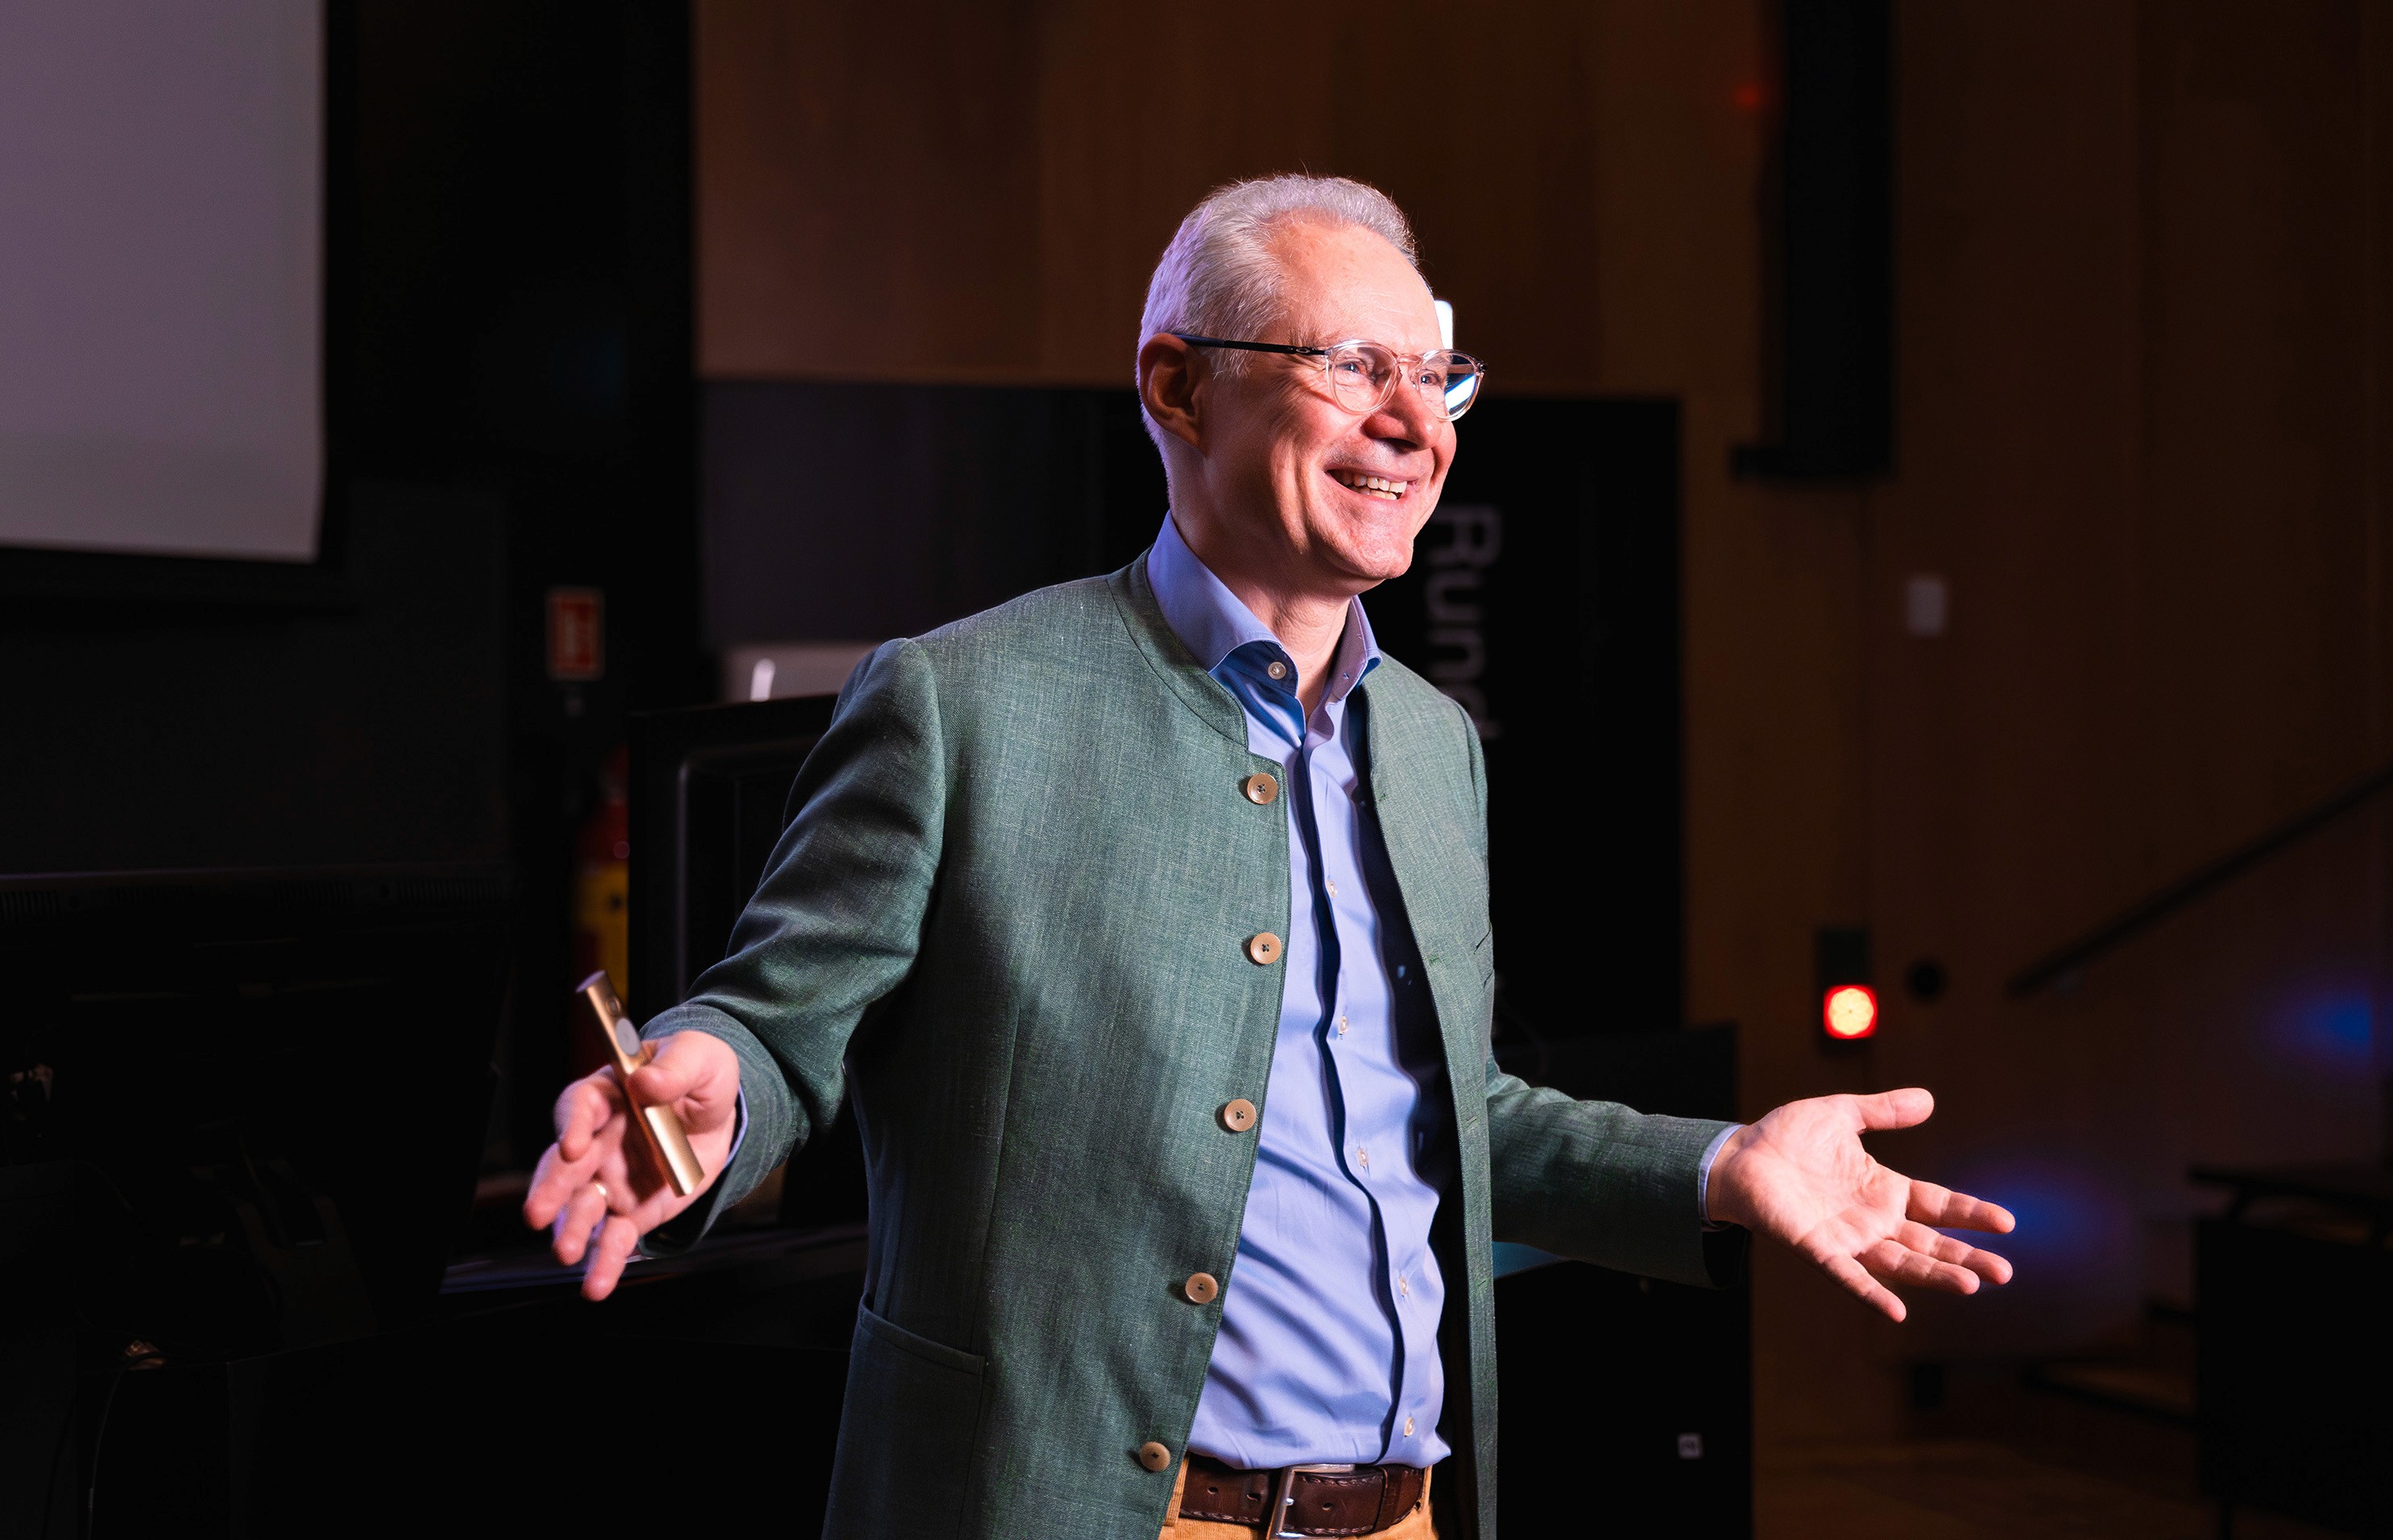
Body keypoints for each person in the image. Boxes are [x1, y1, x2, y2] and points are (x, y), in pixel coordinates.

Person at [523, 175, 2014, 1540]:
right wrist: (709, 1079)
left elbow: (1452, 1119)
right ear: (1178, 385)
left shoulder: (1432, 744)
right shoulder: (961, 701)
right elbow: (781, 1032)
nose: (1419, 425)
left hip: (1404, 1517)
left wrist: (1725, 1162)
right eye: (1355, 369)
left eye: (1437, 378)